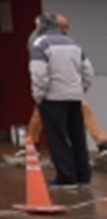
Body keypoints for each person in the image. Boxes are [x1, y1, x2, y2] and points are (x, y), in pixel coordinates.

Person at [25, 13, 107, 157]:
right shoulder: (39, 41)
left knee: (43, 113)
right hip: (55, 85)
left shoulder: (60, 40)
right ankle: (32, 144)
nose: (65, 31)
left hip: (65, 84)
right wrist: (40, 92)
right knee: (40, 114)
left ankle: (102, 142)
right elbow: (41, 70)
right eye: (63, 27)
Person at [29, 11, 95, 188]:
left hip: (53, 97)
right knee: (77, 135)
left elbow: (39, 74)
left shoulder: (40, 45)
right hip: (74, 96)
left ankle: (66, 177)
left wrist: (39, 95)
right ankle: (83, 175)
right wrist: (80, 89)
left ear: (40, 26)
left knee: (57, 137)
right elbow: (88, 71)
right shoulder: (73, 43)